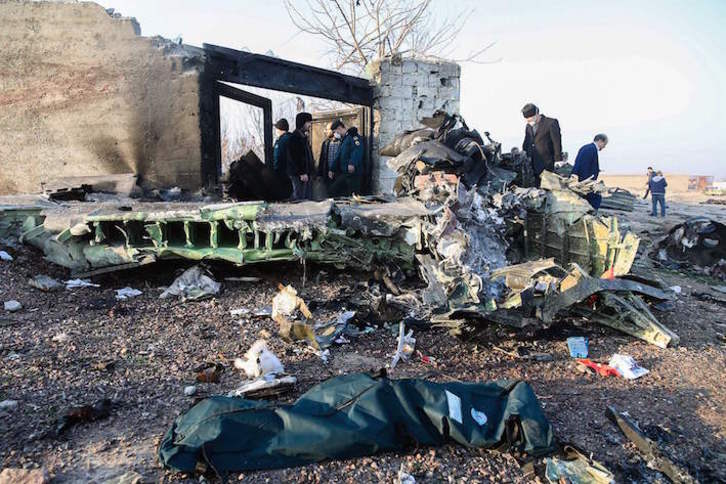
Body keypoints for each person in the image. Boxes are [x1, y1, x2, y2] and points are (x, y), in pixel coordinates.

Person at [521, 103, 563, 187]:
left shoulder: (551, 123)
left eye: (530, 118)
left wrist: (558, 159)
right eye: (527, 119)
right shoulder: (528, 126)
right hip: (533, 163)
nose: (528, 121)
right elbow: (527, 141)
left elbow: (557, 142)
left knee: (549, 187)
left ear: (537, 114)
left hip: (547, 162)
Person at [572, 133, 608, 210]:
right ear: (600, 141)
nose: (604, 147)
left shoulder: (586, 147)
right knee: (596, 198)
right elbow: (584, 166)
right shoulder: (591, 149)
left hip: (582, 179)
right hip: (585, 181)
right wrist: (587, 183)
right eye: (604, 144)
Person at [329, 125, 365, 197]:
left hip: (354, 172)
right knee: (333, 190)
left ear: (339, 128)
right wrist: (332, 169)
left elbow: (357, 149)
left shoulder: (353, 136)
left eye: (335, 132)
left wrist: (352, 163)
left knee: (353, 195)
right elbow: (338, 156)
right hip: (346, 172)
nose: (334, 134)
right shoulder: (344, 139)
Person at [286, 112, 315, 200]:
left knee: (306, 198)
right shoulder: (295, 138)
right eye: (308, 122)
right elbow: (295, 158)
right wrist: (302, 172)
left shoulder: (303, 137)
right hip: (299, 175)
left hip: (305, 174)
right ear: (302, 123)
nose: (310, 125)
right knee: (300, 199)